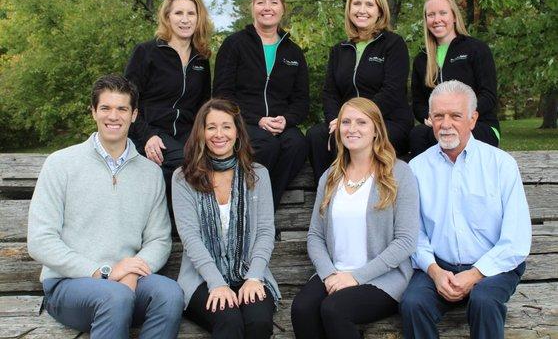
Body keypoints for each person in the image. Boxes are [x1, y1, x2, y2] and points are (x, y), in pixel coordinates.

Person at [27, 75, 183, 338]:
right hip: (69, 285)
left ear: (134, 115)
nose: (114, 116)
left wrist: (133, 270)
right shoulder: (61, 164)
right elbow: (40, 241)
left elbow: (159, 239)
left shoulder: (150, 172)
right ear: (93, 112)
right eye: (105, 108)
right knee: (115, 296)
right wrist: (103, 272)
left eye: (122, 109)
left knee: (170, 294)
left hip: (129, 281)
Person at [400, 80, 532, 339]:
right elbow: (414, 233)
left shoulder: (501, 164)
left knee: (484, 300)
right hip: (439, 267)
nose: (446, 124)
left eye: (455, 116)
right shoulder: (417, 169)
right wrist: (434, 271)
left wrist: (475, 274)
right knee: (413, 304)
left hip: (494, 267)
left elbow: (515, 239)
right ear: (430, 119)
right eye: (438, 116)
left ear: (472, 119)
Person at [291, 97, 419, 339]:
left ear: (376, 131)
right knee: (302, 308)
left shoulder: (399, 174)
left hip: (382, 279)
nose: (352, 128)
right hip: (335, 272)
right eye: (346, 122)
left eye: (362, 122)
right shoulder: (330, 176)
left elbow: (406, 241)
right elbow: (315, 236)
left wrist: (355, 277)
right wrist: (329, 274)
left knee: (335, 309)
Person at [172, 98, 280, 339]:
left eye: (226, 126)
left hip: (249, 272)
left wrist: (254, 277)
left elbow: (265, 231)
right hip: (202, 278)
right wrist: (217, 283)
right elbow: (190, 238)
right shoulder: (183, 178)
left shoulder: (258, 175)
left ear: (237, 132)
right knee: (229, 320)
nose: (219, 134)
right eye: (211, 127)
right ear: (200, 132)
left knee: (258, 322)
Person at [213, 0, 309, 210]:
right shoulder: (235, 44)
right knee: (267, 146)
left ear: (283, 8)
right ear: (252, 7)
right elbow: (222, 95)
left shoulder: (293, 52)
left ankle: (266, 208)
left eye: (274, 2)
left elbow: (301, 100)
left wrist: (286, 120)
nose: (267, 7)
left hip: (279, 124)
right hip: (242, 121)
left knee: (297, 144)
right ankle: (244, 207)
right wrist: (257, 119)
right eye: (261, 1)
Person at [306, 0, 414, 184]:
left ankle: (367, 200)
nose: (362, 10)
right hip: (347, 121)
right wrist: (336, 121)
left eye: (369, 4)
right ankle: (328, 196)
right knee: (317, 135)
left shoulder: (393, 44)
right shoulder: (340, 49)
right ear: (349, 9)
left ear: (380, 10)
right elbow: (330, 93)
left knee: (362, 137)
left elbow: (392, 90)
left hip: (387, 121)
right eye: (356, 4)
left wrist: (358, 118)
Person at [125, 0, 212, 195]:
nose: (185, 20)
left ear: (199, 18)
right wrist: (148, 136)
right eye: (178, 13)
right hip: (150, 131)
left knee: (209, 166)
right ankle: (172, 228)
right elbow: (127, 103)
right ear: (167, 17)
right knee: (183, 165)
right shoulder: (146, 52)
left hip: (186, 136)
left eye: (191, 13)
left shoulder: (201, 59)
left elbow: (203, 106)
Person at [410, 0, 500, 158]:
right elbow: (418, 103)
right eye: (431, 15)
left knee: (458, 137)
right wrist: (428, 117)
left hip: (479, 124)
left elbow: (489, 96)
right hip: (440, 127)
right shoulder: (422, 59)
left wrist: (461, 117)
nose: (437, 19)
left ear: (454, 17)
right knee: (418, 136)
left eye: (443, 13)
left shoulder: (476, 49)